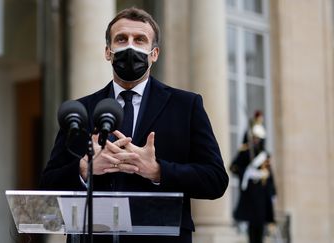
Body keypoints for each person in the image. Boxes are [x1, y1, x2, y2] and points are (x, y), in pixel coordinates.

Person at [40, 7, 228, 243]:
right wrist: (84, 169)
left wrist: (158, 170)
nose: (130, 47)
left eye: (140, 40)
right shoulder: (81, 110)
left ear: (154, 53)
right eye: (121, 39)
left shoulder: (186, 105)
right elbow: (48, 183)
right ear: (108, 52)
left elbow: (215, 180)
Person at [230, 111, 276, 243]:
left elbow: (270, 176)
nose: (256, 140)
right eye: (254, 138)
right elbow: (233, 167)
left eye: (258, 138)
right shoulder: (245, 152)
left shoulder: (265, 155)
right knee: (252, 227)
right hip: (250, 195)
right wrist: (247, 172)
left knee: (261, 226)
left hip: (262, 195)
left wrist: (273, 192)